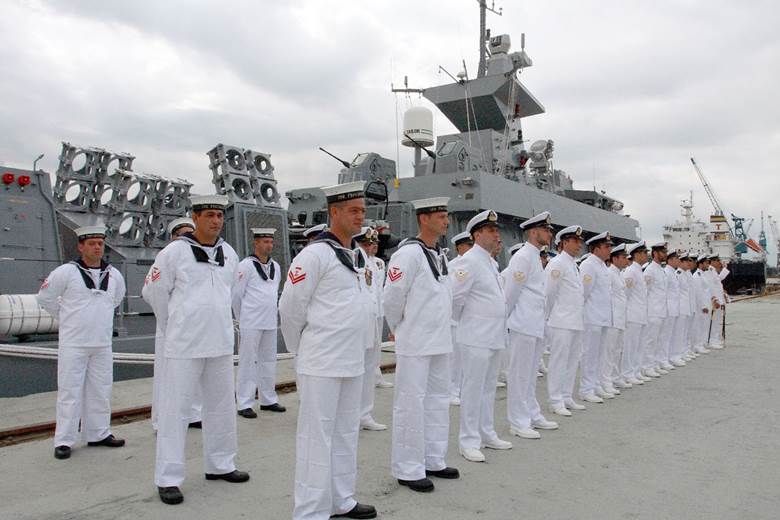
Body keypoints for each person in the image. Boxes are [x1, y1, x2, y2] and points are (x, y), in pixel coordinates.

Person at [279, 181, 376, 520]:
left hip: (352, 359)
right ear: (334, 212)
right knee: (315, 438)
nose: (360, 216)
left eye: (362, 211)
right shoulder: (314, 255)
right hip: (321, 360)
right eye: (353, 211)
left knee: (346, 432)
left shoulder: (357, 254)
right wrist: (301, 350)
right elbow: (290, 308)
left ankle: (341, 499)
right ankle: (310, 511)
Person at [143, 195, 249, 506]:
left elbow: (230, 292)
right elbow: (154, 292)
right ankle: (168, 478)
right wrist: (174, 325)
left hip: (219, 343)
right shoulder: (174, 253)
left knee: (221, 407)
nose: (216, 221)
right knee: (175, 412)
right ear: (195, 218)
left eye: (219, 215)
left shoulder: (229, 253)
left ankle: (221, 464)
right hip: (185, 345)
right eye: (209, 215)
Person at [384, 197, 459, 493]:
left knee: (438, 400)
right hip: (415, 341)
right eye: (440, 216)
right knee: (410, 404)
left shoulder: (439, 254)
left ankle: (433, 458)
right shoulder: (408, 254)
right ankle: (408, 467)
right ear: (424, 219)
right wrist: (399, 328)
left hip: (440, 340)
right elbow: (392, 297)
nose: (446, 221)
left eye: (446, 215)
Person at [37, 225, 126, 461]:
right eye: (91, 244)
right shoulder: (66, 272)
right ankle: (64, 440)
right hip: (74, 343)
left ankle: (98, 433)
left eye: (100, 243)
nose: (97, 247)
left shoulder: (114, 275)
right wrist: (67, 317)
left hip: (101, 343)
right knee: (70, 392)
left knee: (101, 389)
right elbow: (45, 297)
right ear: (80, 246)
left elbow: (116, 299)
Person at [451, 210, 513, 462]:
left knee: (488, 389)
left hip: (493, 336)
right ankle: (468, 441)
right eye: (490, 230)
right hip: (475, 337)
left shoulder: (490, 262)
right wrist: (468, 323)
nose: (496, 234)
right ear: (477, 235)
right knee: (472, 390)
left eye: (496, 230)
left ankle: (486, 433)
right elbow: (455, 299)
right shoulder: (469, 261)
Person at [503, 211, 559, 439]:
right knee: (519, 375)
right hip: (523, 324)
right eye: (546, 230)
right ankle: (518, 422)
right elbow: (510, 294)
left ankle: (532, 413)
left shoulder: (535, 257)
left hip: (535, 324)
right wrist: (505, 322)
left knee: (530, 374)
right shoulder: (523, 257)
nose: (549, 234)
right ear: (534, 232)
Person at [152, 217, 203, 431]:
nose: (186, 238)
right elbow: (153, 292)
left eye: (190, 233)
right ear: (172, 238)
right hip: (171, 325)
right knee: (166, 375)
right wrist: (169, 321)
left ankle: (194, 414)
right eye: (181, 234)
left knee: (195, 372)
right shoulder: (166, 257)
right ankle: (161, 420)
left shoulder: (200, 258)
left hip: (194, 326)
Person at [234, 228, 285, 419]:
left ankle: (268, 399)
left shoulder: (275, 267)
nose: (269, 245)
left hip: (269, 321)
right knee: (248, 362)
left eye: (271, 242)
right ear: (256, 243)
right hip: (251, 322)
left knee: (268, 361)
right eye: (265, 242)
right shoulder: (245, 266)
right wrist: (241, 318)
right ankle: (244, 402)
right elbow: (236, 295)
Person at [544, 225, 586, 417]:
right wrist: (551, 316)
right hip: (561, 321)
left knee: (572, 360)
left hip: (575, 321)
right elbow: (549, 293)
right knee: (559, 362)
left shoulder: (573, 265)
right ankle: (555, 400)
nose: (579, 245)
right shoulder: (557, 263)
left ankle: (566, 396)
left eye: (580, 241)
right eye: (575, 241)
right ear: (565, 242)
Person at [353, 226, 387, 431]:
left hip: (373, 318)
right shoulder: (352, 260)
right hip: (357, 323)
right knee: (355, 369)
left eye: (371, 244)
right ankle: (351, 415)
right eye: (365, 244)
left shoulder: (376, 264)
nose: (369, 248)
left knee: (369, 367)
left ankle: (364, 414)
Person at [578, 232, 615, 403]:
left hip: (603, 318)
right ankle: (586, 389)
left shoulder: (602, 266)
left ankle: (596, 384)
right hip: (592, 318)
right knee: (589, 354)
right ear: (596, 249)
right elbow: (584, 293)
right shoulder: (588, 265)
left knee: (599, 354)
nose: (609, 250)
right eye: (606, 247)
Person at [447, 231, 474, 405]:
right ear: (459, 247)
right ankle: (452, 390)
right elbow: (454, 294)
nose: (472, 248)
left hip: (470, 318)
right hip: (456, 319)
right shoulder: (454, 266)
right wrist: (456, 317)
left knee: (468, 357)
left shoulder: (478, 263)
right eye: (468, 245)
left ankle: (463, 388)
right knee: (455, 358)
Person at [619, 241, 649, 386]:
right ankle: (627, 373)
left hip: (640, 314)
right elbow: (626, 294)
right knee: (630, 346)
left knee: (638, 345)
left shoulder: (639, 271)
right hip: (632, 315)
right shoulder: (631, 271)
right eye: (644, 253)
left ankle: (635, 371)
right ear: (637, 254)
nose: (647, 255)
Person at [602, 243, 629, 393]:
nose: (626, 260)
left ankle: (615, 377)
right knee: (609, 351)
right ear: (615, 259)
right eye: (623, 257)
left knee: (618, 350)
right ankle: (606, 380)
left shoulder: (619, 274)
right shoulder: (609, 274)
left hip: (620, 318)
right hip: (612, 318)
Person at [642, 242, 669, 378]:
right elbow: (645, 292)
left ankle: (655, 364)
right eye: (663, 252)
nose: (665, 254)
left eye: (665, 252)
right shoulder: (650, 270)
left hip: (661, 310)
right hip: (653, 311)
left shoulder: (661, 270)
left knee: (659, 339)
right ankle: (646, 367)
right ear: (655, 253)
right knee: (650, 341)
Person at [660, 250, 681, 370]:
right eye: (676, 258)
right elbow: (665, 293)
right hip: (668, 308)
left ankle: (670, 357)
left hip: (674, 308)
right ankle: (663, 359)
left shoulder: (673, 272)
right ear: (670, 260)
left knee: (671, 335)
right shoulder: (667, 272)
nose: (678, 260)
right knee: (665, 336)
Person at [692, 254, 714, 355]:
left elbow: (706, 291)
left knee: (704, 325)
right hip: (702, 306)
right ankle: (698, 345)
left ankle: (702, 343)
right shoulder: (697, 276)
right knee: (699, 326)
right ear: (700, 264)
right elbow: (698, 292)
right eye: (706, 263)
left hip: (707, 304)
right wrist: (703, 306)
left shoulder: (703, 275)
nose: (708, 264)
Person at [707, 254, 726, 349]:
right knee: (714, 322)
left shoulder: (713, 271)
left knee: (718, 321)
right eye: (718, 261)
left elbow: (718, 282)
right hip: (716, 301)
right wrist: (715, 300)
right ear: (713, 261)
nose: (719, 263)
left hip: (719, 300)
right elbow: (711, 287)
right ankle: (712, 341)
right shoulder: (710, 270)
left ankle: (716, 339)